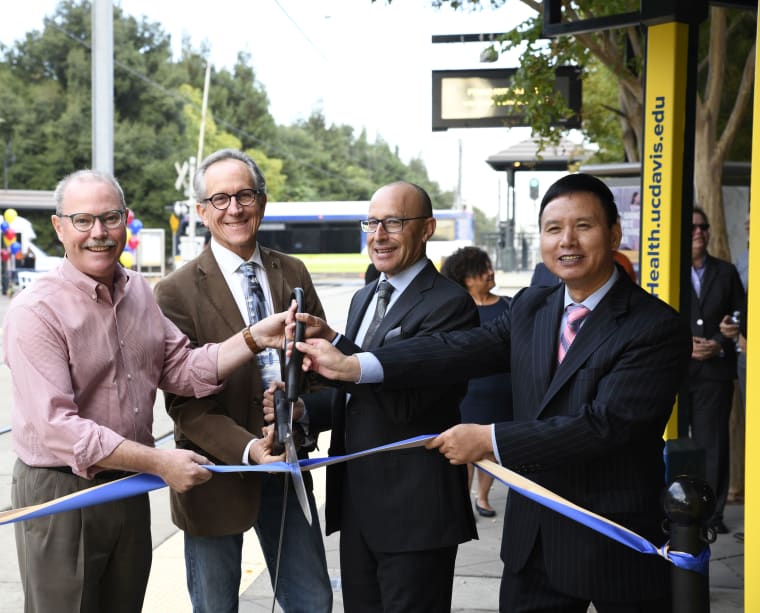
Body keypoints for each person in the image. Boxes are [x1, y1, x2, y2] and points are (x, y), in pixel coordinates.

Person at [296, 173, 691, 612]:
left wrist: (489, 440)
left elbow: (606, 426)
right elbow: (455, 349)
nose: (567, 241)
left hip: (613, 540)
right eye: (553, 229)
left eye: (583, 226)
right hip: (533, 545)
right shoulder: (531, 307)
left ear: (614, 233)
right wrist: (355, 363)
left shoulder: (654, 325)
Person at [3, 169, 291, 613]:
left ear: (126, 221)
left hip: (129, 484)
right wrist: (159, 462)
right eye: (83, 221)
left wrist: (254, 337)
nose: (98, 233)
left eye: (110, 218)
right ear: (59, 227)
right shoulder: (35, 311)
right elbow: (58, 429)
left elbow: (183, 368)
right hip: (64, 488)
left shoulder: (137, 290)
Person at [152, 149, 332, 613]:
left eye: (245, 195)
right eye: (220, 198)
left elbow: (322, 366)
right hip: (215, 477)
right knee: (214, 607)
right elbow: (184, 404)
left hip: (289, 467)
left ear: (262, 201)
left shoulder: (292, 272)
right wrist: (250, 450)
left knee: (312, 601)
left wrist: (300, 411)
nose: (234, 208)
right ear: (201, 212)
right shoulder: (175, 291)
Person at [285, 181, 478, 611]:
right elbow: (354, 397)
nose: (379, 235)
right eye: (372, 222)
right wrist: (302, 409)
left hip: (415, 513)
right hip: (357, 508)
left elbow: (408, 403)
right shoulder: (364, 296)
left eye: (394, 222)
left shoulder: (451, 304)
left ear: (427, 229)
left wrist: (339, 346)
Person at [440, 246, 512, 518]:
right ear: (465, 277)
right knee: (464, 449)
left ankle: (483, 498)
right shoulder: (455, 311)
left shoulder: (508, 305)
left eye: (489, 267)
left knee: (492, 448)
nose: (490, 273)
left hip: (502, 392)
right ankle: (463, 499)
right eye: (481, 270)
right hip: (468, 393)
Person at [687, 206, 745, 534]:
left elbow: (740, 312)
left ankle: (711, 515)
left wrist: (720, 342)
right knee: (674, 444)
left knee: (713, 446)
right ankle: (675, 509)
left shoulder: (726, 271)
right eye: (693, 227)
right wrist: (685, 344)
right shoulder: (668, 269)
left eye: (704, 227)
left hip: (714, 374)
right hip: (677, 373)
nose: (699, 232)